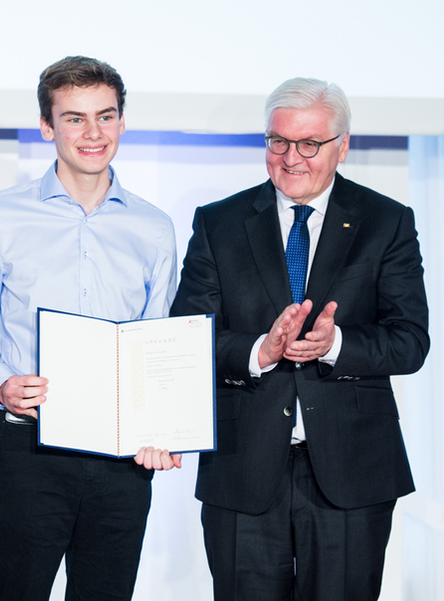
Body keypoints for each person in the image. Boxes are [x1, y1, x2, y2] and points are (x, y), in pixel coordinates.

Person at [170, 77, 430, 600]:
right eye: (278, 141)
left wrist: (336, 345)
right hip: (243, 470)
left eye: (309, 144)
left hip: (353, 471)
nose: (291, 158)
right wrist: (257, 353)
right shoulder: (219, 223)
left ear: (342, 145)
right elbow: (186, 338)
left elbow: (409, 342)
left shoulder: (387, 222)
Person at [0, 56, 181, 601]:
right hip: (28, 449)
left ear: (122, 122)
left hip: (121, 462)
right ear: (48, 127)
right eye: (74, 118)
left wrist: (163, 426)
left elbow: (157, 343)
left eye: (105, 116)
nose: (92, 133)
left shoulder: (154, 228)